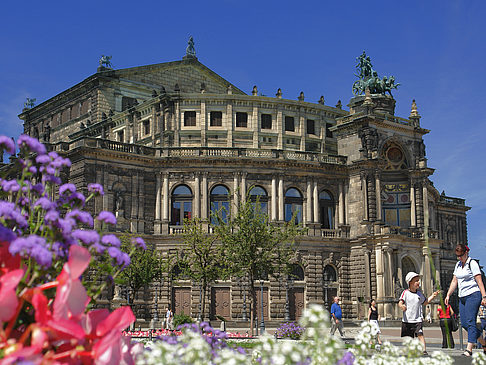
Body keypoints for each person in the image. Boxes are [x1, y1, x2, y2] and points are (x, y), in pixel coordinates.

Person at [445, 243, 486, 357]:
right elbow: (454, 281)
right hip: (462, 296)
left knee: (470, 321)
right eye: (457, 256)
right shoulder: (458, 265)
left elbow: (479, 281)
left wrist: (484, 296)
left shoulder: (472, 264)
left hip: (473, 295)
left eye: (461, 255)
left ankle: (469, 349)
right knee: (464, 324)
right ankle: (484, 343)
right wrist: (448, 295)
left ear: (466, 253)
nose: (459, 258)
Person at [398, 272, 439, 356]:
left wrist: (433, 296)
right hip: (407, 319)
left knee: (420, 334)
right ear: (410, 282)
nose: (418, 283)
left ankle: (424, 350)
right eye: (416, 281)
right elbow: (400, 302)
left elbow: (425, 302)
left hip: (417, 319)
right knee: (409, 337)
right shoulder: (405, 293)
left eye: (418, 281)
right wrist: (402, 306)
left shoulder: (419, 294)